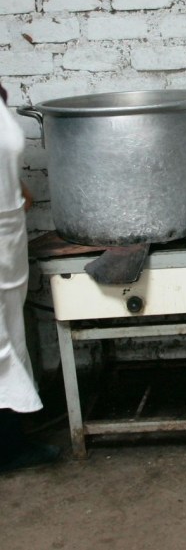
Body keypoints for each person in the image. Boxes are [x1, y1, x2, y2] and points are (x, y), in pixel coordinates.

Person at [0, 81, 61, 473]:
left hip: (7, 228)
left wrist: (16, 184)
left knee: (8, 329)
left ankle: (11, 432)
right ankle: (7, 448)